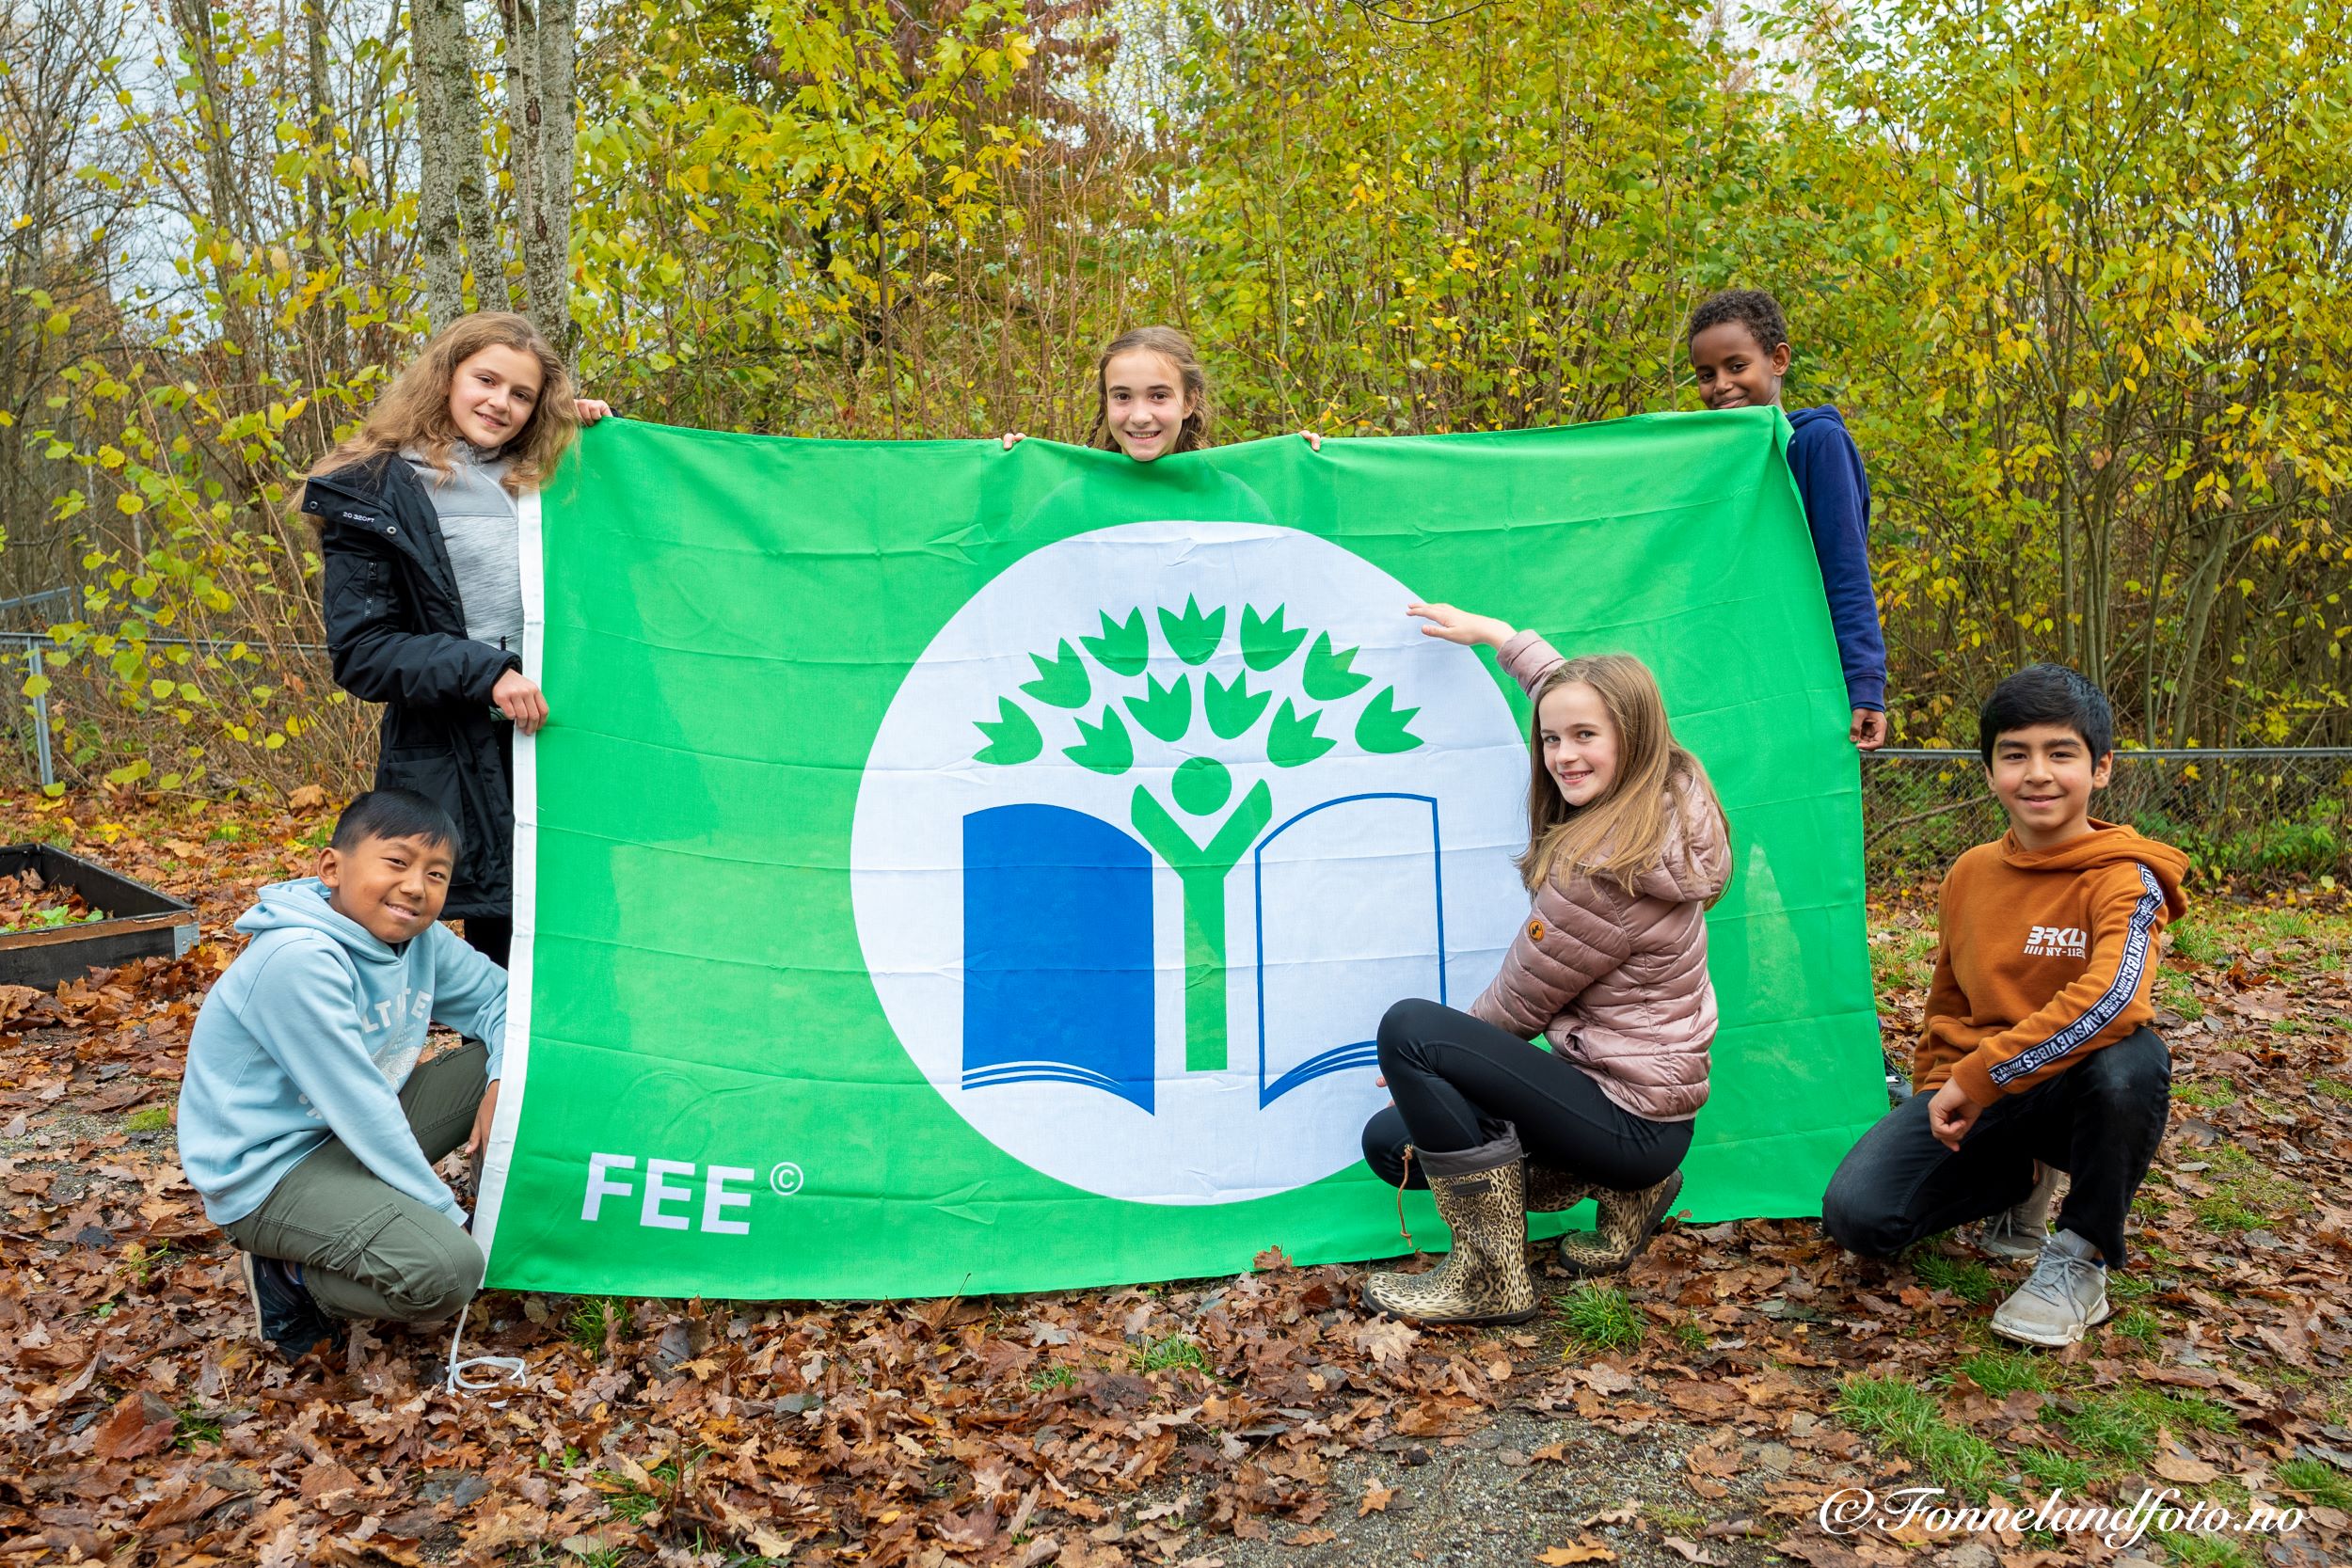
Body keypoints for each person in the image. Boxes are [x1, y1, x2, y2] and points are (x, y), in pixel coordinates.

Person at [1357, 604, 1732, 1325]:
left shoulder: (1604, 872)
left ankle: (1490, 1279)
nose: (1562, 754)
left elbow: (1519, 1002)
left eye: (1584, 737)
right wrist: (1504, 639)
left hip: (1630, 1120)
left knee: (1408, 1028)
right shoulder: (1668, 799)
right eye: (1552, 738)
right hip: (1639, 1104)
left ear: (1633, 737)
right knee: (1394, 1141)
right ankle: (1631, 1193)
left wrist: (1429, 1055)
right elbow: (1583, 697)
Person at [1821, 666, 2187, 1347]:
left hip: (2066, 1093)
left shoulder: (2127, 878)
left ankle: (2081, 1256)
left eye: (2061, 753)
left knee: (2134, 1059)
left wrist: (1980, 1075)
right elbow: (1948, 1001)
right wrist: (1935, 1091)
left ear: (2101, 768)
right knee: (1859, 1218)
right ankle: (2017, 1181)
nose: (2038, 773)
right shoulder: (1969, 873)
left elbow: (2115, 998)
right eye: (2015, 755)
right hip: (1980, 1090)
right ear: (1990, 773)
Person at [304, 311, 611, 967]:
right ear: (446, 376)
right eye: (486, 380)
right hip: (455, 748)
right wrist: (487, 671)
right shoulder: (374, 489)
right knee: (484, 947)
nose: (501, 403)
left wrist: (602, 442)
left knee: (582, 932)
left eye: (522, 394)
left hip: (565, 740)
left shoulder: (551, 476)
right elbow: (363, 652)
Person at [177, 790, 512, 1363]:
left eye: (436, 874)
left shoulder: (420, 939)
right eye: (397, 862)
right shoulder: (298, 959)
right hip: (269, 1173)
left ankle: (503, 1210)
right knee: (449, 1272)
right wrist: (445, 1213)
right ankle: (288, 1280)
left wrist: (502, 1082)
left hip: (345, 1133)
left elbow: (506, 1005)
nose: (416, 886)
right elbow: (361, 1106)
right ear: (332, 868)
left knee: (521, 1069)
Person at [1686, 288, 1890, 752]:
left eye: (1736, 366)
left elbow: (1845, 571)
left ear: (1778, 360)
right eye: (1706, 375)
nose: (1721, 385)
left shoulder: (1816, 445)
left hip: (1805, 676)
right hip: (1728, 681)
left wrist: (1864, 683)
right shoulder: (1712, 462)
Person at [1001, 325, 1323, 458]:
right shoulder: (1073, 491)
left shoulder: (1227, 490)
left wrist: (1307, 471)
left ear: (1189, 401)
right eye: (1122, 396)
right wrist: (1014, 474)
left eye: (1159, 396)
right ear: (1106, 402)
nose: (1140, 416)